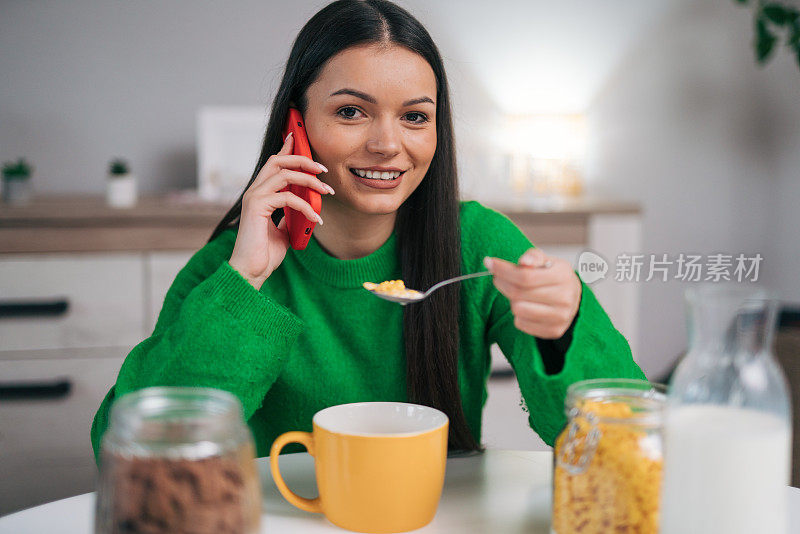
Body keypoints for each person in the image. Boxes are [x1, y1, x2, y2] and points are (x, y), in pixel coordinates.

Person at [91, 0, 645, 459]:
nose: (387, 144)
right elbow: (133, 454)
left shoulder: (479, 243)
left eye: (415, 116)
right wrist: (247, 278)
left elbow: (623, 445)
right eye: (352, 112)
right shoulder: (229, 269)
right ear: (297, 122)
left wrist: (563, 332)